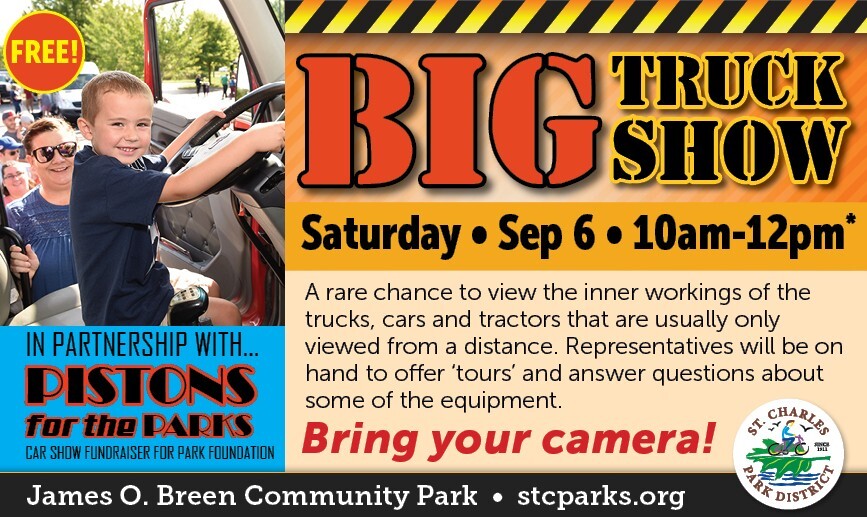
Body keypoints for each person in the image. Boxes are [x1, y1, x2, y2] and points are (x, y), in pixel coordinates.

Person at [71, 70, 283, 326]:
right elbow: (182, 187)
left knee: (210, 286)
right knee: (228, 314)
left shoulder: (116, 162)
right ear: (86, 128)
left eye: (142, 124)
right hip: (123, 311)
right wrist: (251, 141)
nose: (132, 135)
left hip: (140, 281)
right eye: (118, 124)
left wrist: (198, 128)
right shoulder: (104, 178)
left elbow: (165, 163)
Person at [6, 117, 78, 302]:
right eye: (46, 153)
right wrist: (22, 279)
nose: (59, 159)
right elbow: (11, 300)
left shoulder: (106, 200)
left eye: (66, 149)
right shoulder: (16, 215)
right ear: (31, 161)